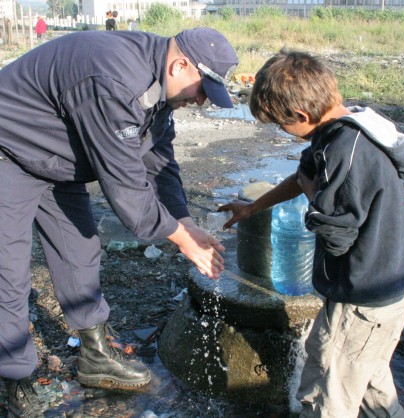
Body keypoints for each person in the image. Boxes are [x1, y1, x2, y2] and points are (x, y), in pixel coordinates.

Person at [0, 27, 238, 417]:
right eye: (202, 91)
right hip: (8, 149)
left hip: (59, 160)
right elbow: (127, 189)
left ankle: (94, 355)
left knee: (80, 252)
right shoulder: (112, 79)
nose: (200, 102)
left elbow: (159, 162)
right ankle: (14, 379)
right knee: (8, 271)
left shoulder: (160, 89)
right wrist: (181, 240)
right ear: (180, 65)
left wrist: (183, 220)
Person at [220, 50, 404, 417]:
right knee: (370, 384)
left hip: (364, 298)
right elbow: (302, 176)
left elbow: (336, 236)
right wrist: (252, 207)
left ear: (301, 116)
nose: (283, 132)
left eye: (282, 125)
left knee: (330, 396)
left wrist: (314, 198)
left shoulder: (342, 152)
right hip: (380, 290)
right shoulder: (351, 125)